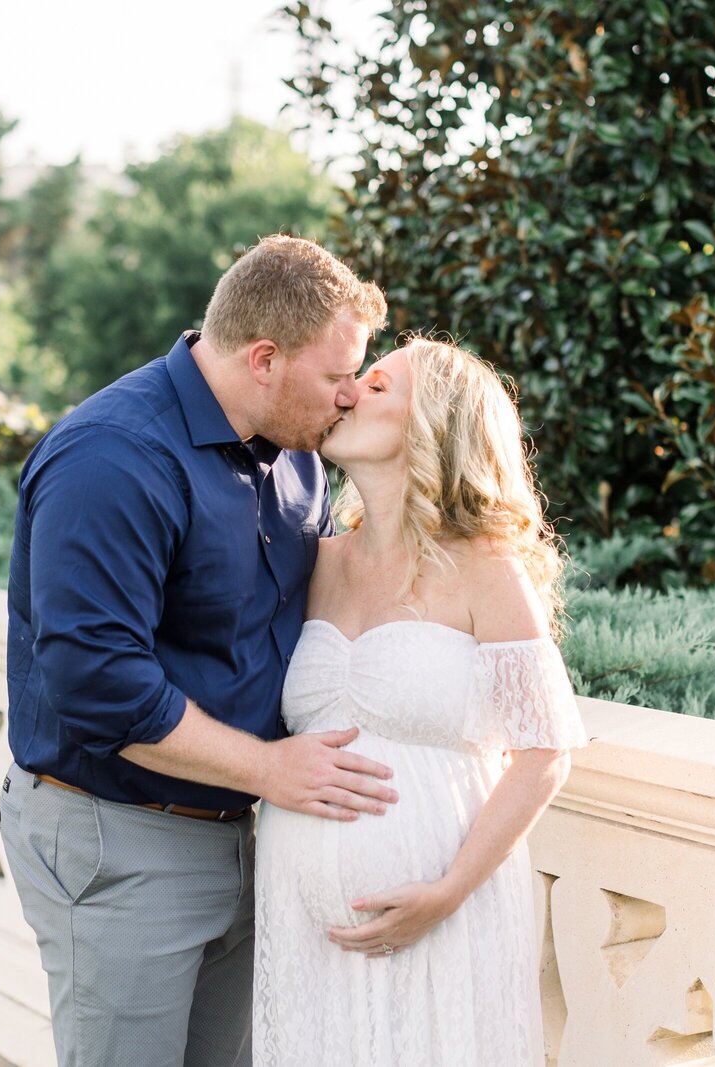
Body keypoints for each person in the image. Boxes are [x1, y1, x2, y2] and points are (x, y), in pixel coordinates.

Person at [0, 234, 397, 1067]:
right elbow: (100, 685)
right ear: (264, 358)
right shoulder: (111, 456)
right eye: (336, 376)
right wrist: (271, 771)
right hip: (118, 839)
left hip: (241, 835)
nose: (351, 394)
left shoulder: (300, 461)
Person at [252, 336, 590, 1066]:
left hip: (444, 916)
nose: (347, 391)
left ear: (432, 422)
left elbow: (545, 749)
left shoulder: (485, 566)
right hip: (301, 921)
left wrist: (446, 892)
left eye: (376, 385)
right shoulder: (317, 560)